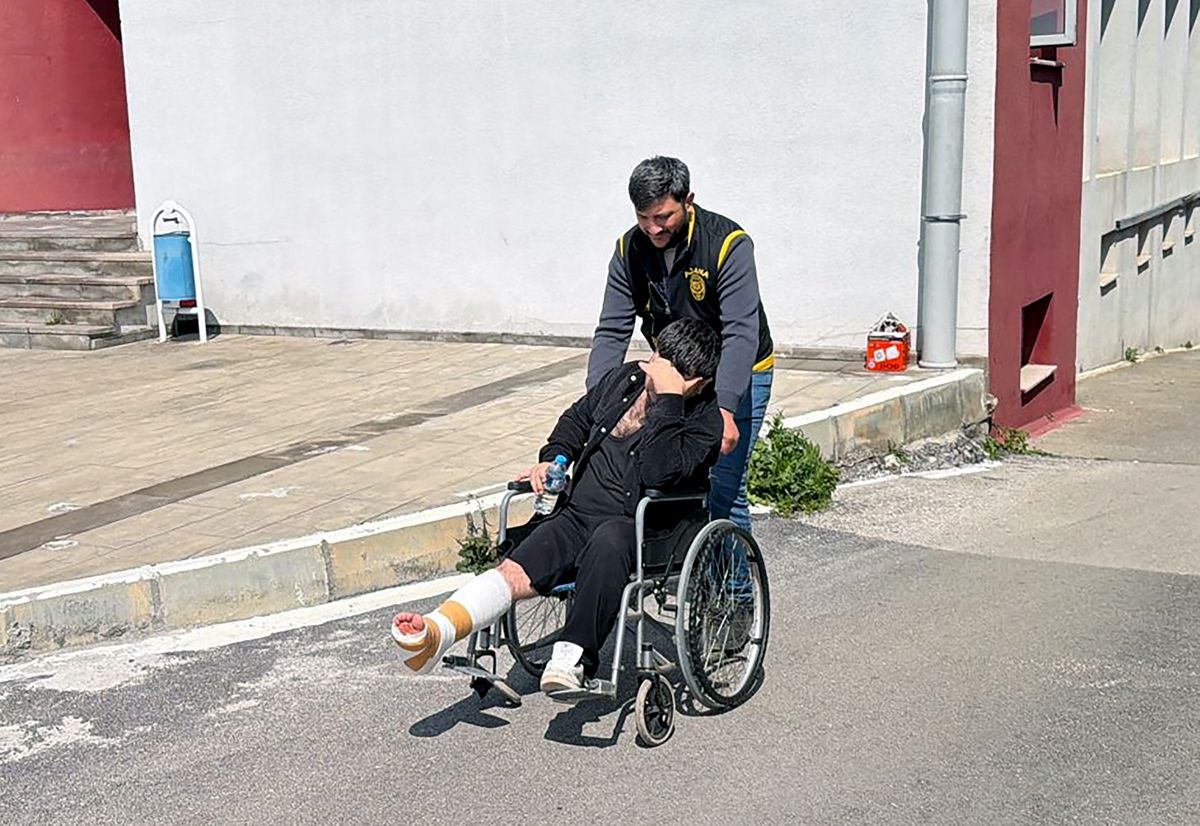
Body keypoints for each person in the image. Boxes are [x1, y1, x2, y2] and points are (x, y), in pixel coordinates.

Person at [392, 319, 723, 700]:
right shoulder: (628, 379)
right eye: (658, 359)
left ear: (697, 383)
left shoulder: (705, 422)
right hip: (576, 513)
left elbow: (660, 472)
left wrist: (669, 401)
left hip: (640, 530)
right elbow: (576, 419)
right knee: (516, 569)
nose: (654, 374)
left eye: (671, 372)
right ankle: (436, 631)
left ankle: (572, 659)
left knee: (609, 539)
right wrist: (555, 459)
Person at [588, 156, 774, 534]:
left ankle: (735, 592)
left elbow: (740, 331)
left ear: (688, 200)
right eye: (644, 217)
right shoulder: (629, 250)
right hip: (676, 372)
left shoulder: (728, 244)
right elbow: (611, 330)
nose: (653, 229)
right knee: (669, 480)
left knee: (724, 487)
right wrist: (597, 400)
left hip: (737, 371)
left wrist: (724, 407)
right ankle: (693, 574)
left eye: (663, 217)